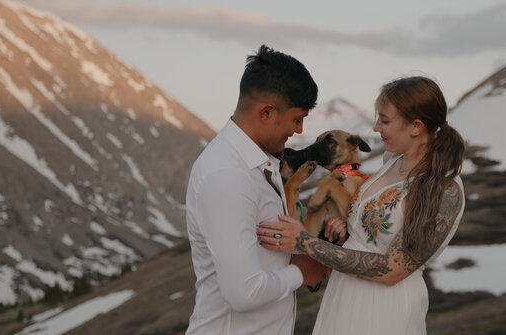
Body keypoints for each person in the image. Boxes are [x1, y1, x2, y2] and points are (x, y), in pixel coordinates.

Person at [257, 76, 466, 334]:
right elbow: (377, 228)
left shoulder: (443, 190)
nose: (376, 127)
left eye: (386, 121)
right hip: (345, 293)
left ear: (416, 127)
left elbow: (392, 270)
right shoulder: (393, 159)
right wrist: (348, 225)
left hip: (383, 309)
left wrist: (306, 243)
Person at [185, 45, 328, 335]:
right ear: (266, 112)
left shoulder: (257, 163)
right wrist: (302, 272)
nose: (299, 130)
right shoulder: (227, 175)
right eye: (297, 118)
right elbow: (243, 292)